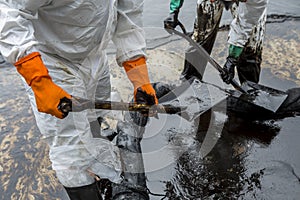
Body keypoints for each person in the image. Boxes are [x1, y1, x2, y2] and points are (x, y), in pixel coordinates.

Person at [0, 0, 157, 199]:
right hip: (53, 62)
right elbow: (9, 12)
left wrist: (140, 78)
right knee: (71, 151)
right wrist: (40, 81)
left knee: (95, 120)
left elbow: (128, 15)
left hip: (94, 57)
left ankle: (99, 172)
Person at [164, 0, 268, 85]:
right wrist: (174, 10)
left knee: (250, 43)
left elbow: (245, 25)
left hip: (251, 4)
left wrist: (232, 59)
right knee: (202, 35)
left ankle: (250, 89)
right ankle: (189, 83)